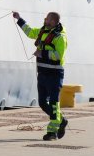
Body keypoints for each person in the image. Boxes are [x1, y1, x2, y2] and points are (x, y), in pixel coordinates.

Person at [13, 10, 68, 141]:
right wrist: (19, 19)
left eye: (48, 19)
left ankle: (52, 132)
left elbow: (58, 56)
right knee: (43, 103)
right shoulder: (43, 31)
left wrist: (42, 53)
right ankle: (62, 121)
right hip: (42, 73)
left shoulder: (60, 37)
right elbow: (30, 32)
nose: (45, 20)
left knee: (54, 103)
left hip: (54, 74)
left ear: (53, 22)